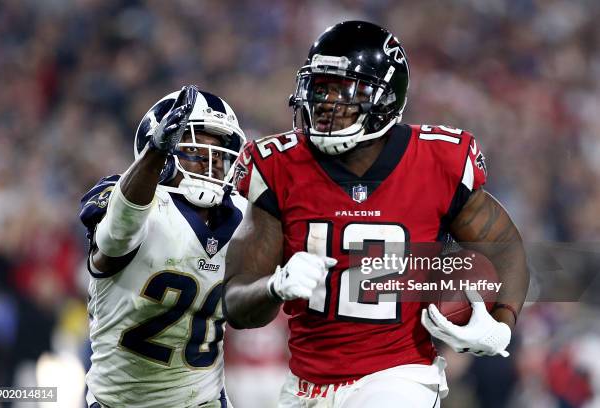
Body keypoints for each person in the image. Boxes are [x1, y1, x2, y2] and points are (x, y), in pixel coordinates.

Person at [223, 21, 529, 407]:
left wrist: (501, 326)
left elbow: (505, 247)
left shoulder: (438, 161)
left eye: (344, 91)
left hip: (399, 377)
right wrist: (274, 286)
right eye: (320, 88)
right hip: (304, 384)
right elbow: (235, 304)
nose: (326, 105)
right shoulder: (278, 166)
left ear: (386, 98)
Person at [79, 85, 246, 408]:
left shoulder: (242, 214)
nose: (209, 165)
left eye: (219, 153)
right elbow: (116, 236)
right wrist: (154, 154)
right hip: (120, 401)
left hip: (204, 399)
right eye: (196, 152)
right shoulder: (131, 200)